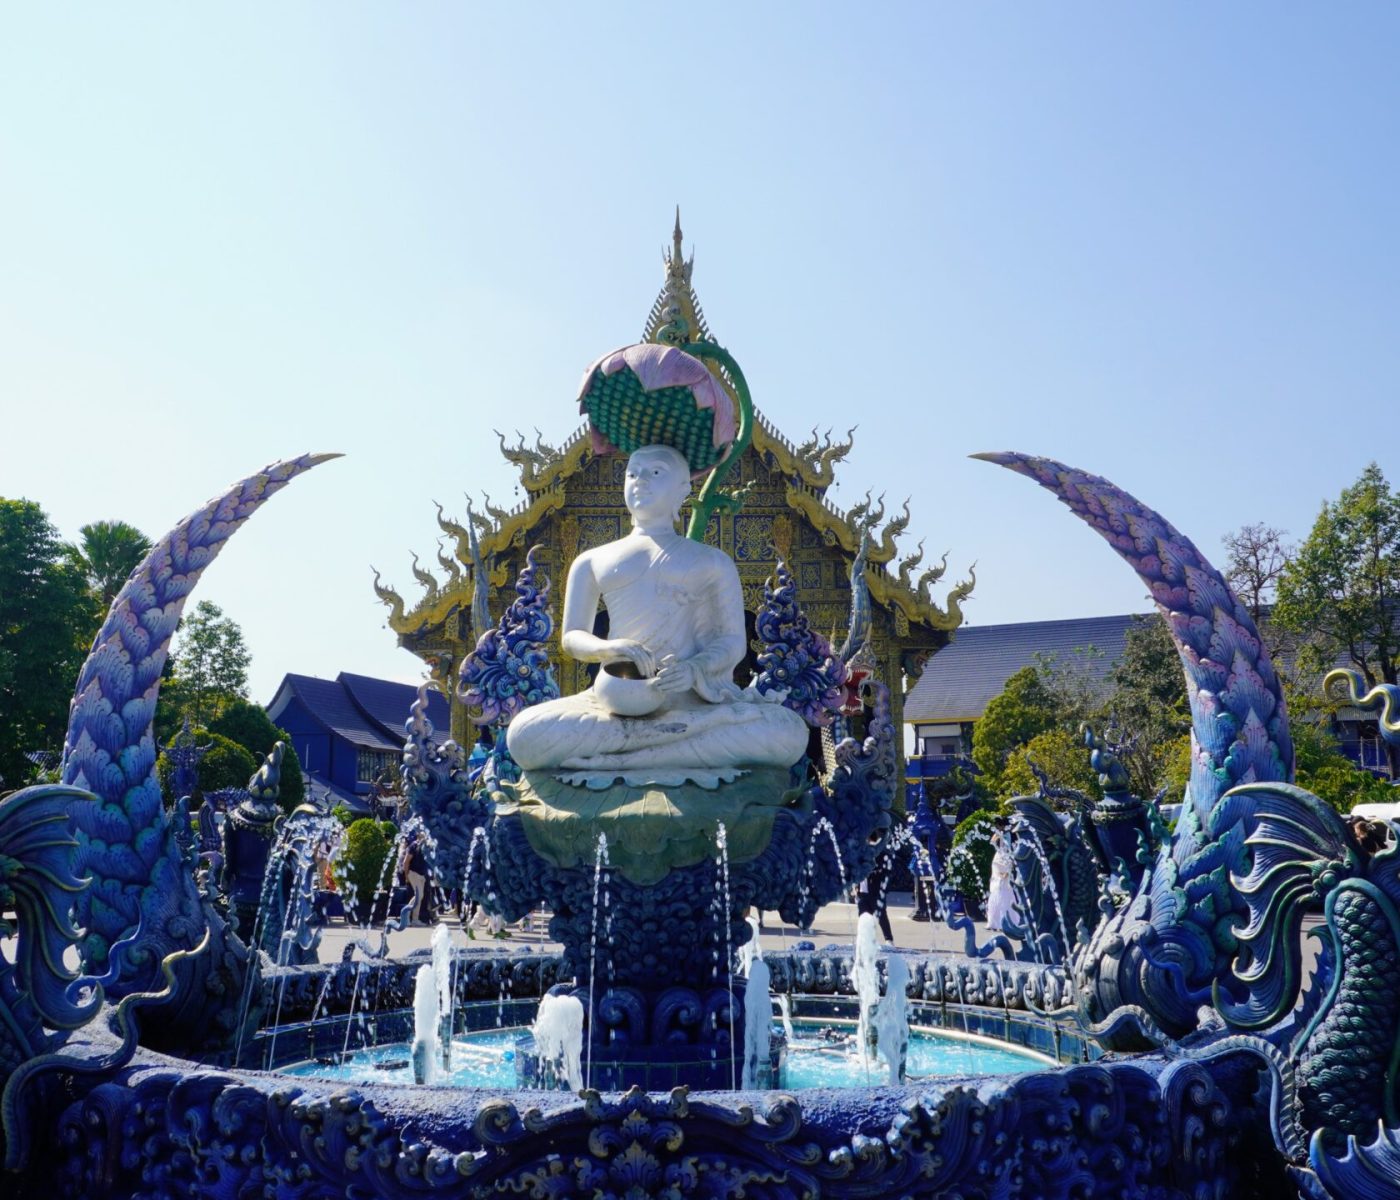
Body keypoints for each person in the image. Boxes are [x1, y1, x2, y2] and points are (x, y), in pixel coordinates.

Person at [506, 444, 810, 777]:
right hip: (616, 706)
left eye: (655, 473)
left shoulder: (714, 562)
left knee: (788, 732)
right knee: (524, 734)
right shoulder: (591, 561)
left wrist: (694, 669)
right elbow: (572, 637)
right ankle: (663, 748)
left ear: (684, 489)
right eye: (632, 473)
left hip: (690, 705)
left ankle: (624, 757)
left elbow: (732, 641)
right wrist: (610, 648)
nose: (640, 481)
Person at [984, 816, 1021, 934]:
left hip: (1005, 861)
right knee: (995, 890)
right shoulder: (1001, 834)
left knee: (1003, 890)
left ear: (1000, 825)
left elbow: (1010, 851)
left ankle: (1004, 920)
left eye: (997, 825)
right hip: (998, 861)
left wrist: (1008, 869)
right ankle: (993, 920)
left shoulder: (1008, 835)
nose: (995, 827)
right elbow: (992, 841)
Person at [857, 852, 895, 944]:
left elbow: (887, 870)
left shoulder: (879, 853)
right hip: (862, 891)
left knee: (881, 915)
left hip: (876, 890)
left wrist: (872, 869)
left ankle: (888, 939)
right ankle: (867, 939)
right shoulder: (860, 852)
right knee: (864, 916)